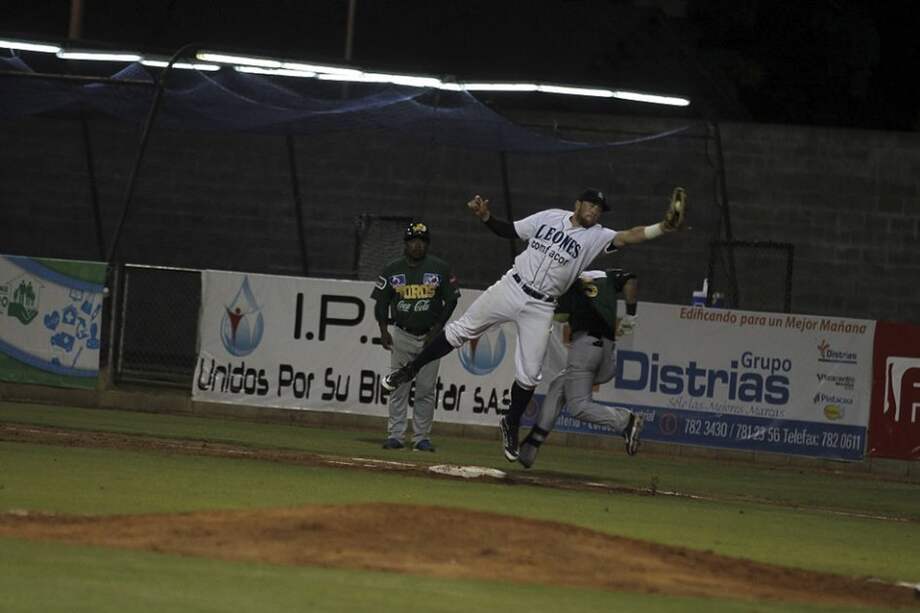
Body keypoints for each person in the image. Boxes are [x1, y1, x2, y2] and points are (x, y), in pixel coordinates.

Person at [382, 187, 686, 462]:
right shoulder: (550, 217)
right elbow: (509, 230)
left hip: (541, 305)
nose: (595, 211)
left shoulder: (598, 236)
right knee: (460, 330)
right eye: (592, 205)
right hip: (512, 285)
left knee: (530, 374)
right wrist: (487, 217)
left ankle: (510, 422)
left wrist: (663, 227)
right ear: (578, 203)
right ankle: (408, 370)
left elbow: (630, 235)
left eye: (600, 209)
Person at [518, 268, 642, 469]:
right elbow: (631, 279)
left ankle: (625, 420)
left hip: (585, 348)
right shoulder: (604, 275)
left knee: (578, 406)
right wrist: (630, 315)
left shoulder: (568, 284)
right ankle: (531, 446)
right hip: (607, 355)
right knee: (559, 386)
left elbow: (559, 316)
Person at [371, 221, 460, 452]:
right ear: (406, 243)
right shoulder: (392, 269)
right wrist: (383, 331)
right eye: (413, 241)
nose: (418, 245)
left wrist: (438, 327)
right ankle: (396, 435)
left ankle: (421, 437)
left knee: (426, 389)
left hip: (430, 337)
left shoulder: (439, 268)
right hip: (402, 333)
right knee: (399, 386)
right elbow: (381, 302)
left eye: (422, 241)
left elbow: (451, 299)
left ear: (427, 244)